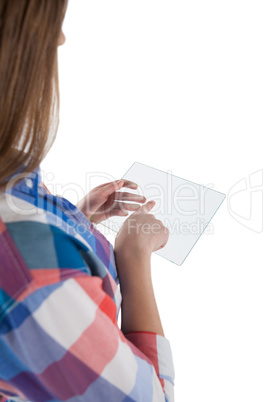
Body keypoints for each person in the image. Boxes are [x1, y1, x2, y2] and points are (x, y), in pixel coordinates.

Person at [0, 1, 175, 401]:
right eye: (51, 24)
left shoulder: (11, 172)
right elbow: (149, 397)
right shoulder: (34, 283)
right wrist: (133, 256)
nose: (61, 37)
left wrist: (76, 219)